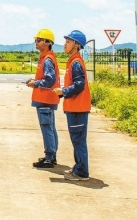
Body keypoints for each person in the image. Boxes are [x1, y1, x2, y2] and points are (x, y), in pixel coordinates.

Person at [53, 30, 91, 181]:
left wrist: (63, 91)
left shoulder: (76, 63)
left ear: (76, 45)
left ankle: (81, 171)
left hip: (77, 108)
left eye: (68, 42)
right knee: (77, 139)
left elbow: (79, 84)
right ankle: (79, 167)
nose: (65, 44)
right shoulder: (74, 61)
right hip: (75, 107)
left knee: (78, 140)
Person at [26, 29, 61, 168]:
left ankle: (49, 158)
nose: (36, 42)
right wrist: (35, 80)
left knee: (47, 128)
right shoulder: (47, 57)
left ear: (47, 42)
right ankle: (52, 156)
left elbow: (49, 79)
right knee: (50, 127)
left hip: (45, 99)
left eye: (39, 40)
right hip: (48, 98)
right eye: (36, 40)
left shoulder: (47, 60)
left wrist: (35, 83)